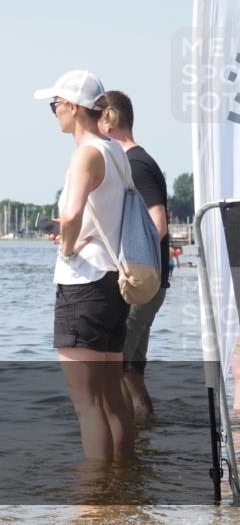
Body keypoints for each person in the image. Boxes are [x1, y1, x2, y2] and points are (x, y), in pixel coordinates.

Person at [34, 70, 134, 461]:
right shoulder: (115, 153)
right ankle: (124, 482)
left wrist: (68, 248)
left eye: (54, 105)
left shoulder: (86, 154)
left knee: (86, 404)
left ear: (73, 108)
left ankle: (94, 501)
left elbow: (73, 211)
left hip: (84, 285)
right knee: (112, 398)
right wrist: (73, 232)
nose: (54, 112)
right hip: (113, 283)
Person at [98, 90, 170, 417]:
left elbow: (159, 223)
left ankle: (124, 450)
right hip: (149, 284)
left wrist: (127, 263)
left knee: (113, 370)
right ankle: (144, 433)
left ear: (109, 121)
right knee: (130, 371)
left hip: (141, 285)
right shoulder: (137, 162)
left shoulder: (135, 164)